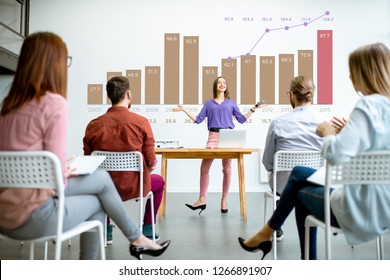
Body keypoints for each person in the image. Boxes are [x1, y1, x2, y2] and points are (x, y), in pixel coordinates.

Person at [0, 32, 170, 260]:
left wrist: (59, 169)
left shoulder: (8, 107)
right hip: (34, 214)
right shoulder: (54, 104)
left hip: (4, 210)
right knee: (101, 189)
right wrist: (62, 170)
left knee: (101, 180)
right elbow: (149, 161)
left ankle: (135, 239)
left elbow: (86, 157)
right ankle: (136, 239)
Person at [238, 42, 390, 260]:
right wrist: (346, 132)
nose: (349, 78)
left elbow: (336, 157)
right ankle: (269, 235)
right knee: (300, 174)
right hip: (385, 205)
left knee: (298, 187)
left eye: (352, 71)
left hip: (361, 208)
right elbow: (369, 159)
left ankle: (287, 246)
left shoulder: (367, 106)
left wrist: (329, 133)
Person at [83, 75, 164, 242]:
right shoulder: (141, 122)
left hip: (103, 187)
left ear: (109, 96)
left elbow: (88, 161)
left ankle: (106, 230)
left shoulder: (94, 125)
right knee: (159, 182)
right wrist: (143, 173)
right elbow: (151, 161)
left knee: (100, 184)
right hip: (135, 186)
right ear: (129, 94)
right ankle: (148, 229)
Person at [173, 76, 264, 213]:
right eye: (219, 82)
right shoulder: (209, 104)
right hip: (213, 137)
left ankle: (224, 200)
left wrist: (254, 107)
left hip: (228, 138)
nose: (222, 84)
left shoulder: (231, 103)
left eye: (224, 83)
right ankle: (202, 199)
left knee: (227, 170)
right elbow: (198, 120)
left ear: (226, 86)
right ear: (215, 86)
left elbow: (242, 120)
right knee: (204, 168)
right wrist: (184, 110)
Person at [262, 76, 327, 241]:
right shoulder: (324, 123)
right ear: (312, 94)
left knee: (278, 178)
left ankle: (275, 227)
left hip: (283, 186)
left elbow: (268, 162)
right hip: (314, 184)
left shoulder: (278, 123)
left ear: (291, 95)